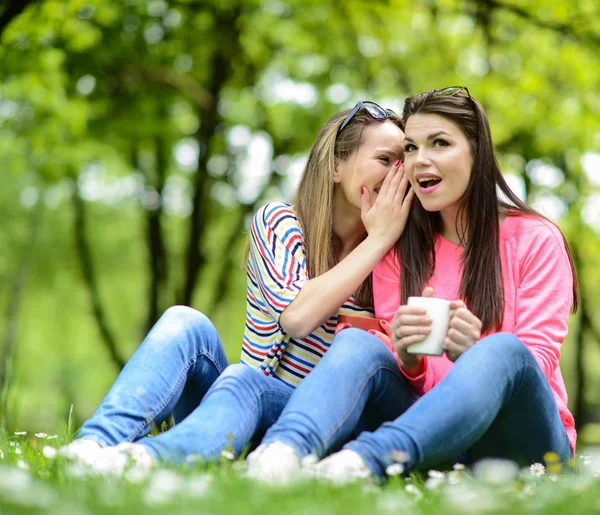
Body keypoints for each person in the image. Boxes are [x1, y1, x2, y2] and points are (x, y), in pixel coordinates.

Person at [246, 87, 579, 484]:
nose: (420, 160)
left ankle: (360, 462)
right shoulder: (400, 254)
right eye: (410, 148)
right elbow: (407, 383)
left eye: (440, 143)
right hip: (439, 439)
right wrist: (407, 360)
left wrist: (475, 354)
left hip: (526, 445)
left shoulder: (534, 238)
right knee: (357, 342)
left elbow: (535, 363)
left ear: (477, 153)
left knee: (504, 349)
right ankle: (280, 452)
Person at [60, 101, 414, 474]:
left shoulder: (401, 256)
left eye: (403, 162)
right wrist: (377, 240)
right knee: (185, 322)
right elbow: (297, 317)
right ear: (335, 167)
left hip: (328, 421)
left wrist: (381, 242)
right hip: (242, 405)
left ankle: (147, 459)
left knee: (246, 379)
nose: (398, 174)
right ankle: (94, 444)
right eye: (385, 159)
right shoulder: (281, 223)